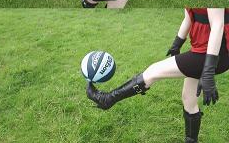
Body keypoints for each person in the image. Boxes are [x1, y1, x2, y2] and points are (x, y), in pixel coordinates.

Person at [86, 8, 229, 142]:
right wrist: (177, 43)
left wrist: (208, 72)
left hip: (214, 54)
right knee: (189, 99)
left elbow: (218, 24)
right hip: (201, 49)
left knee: (153, 72)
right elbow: (189, 17)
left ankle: (107, 99)